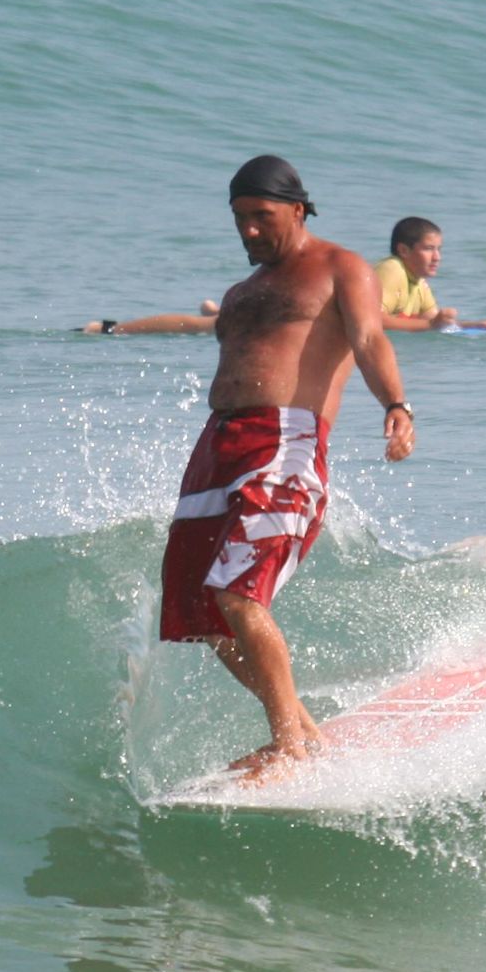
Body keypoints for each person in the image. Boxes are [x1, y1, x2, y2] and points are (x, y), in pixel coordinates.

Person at [161, 156, 415, 780]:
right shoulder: (243, 293)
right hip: (217, 447)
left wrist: (397, 404)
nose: (248, 230)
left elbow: (369, 338)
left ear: (298, 210)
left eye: (261, 217)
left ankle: (287, 746)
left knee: (239, 592)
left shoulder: (340, 267)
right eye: (240, 219)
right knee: (204, 613)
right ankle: (303, 730)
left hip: (283, 442)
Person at [84, 215, 486, 333]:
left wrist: (475, 324)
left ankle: (221, 306)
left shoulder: (419, 284)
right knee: (204, 327)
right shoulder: (393, 272)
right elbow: (374, 320)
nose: (437, 257)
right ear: (404, 250)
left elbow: (430, 320)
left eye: (439, 250)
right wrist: (429, 328)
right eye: (429, 249)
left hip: (304, 319)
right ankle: (111, 328)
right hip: (297, 315)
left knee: (215, 321)